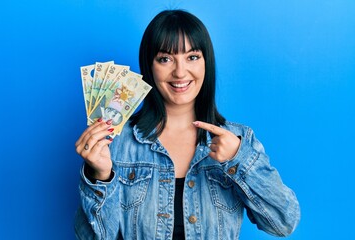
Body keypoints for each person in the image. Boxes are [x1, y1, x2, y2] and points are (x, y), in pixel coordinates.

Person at [74, 10, 300, 240]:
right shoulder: (118, 142)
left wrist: (238, 159)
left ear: (206, 63)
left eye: (192, 57)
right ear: (149, 66)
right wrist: (99, 176)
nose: (180, 72)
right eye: (165, 59)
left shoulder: (238, 139)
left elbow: (283, 222)